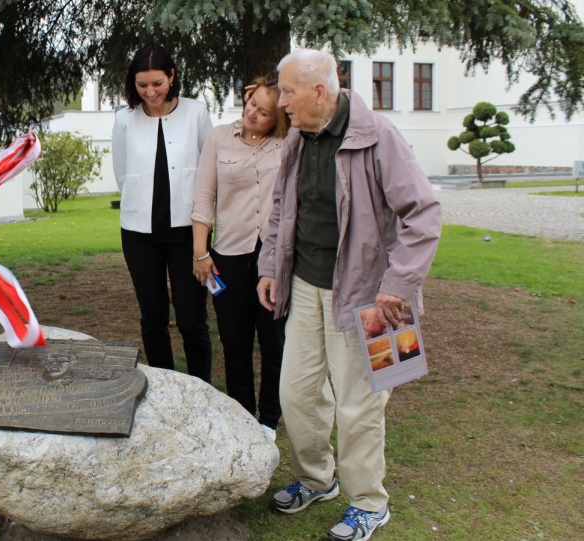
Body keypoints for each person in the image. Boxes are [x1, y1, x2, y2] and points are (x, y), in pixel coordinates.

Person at [256, 49, 441, 541]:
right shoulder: (298, 136)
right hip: (304, 287)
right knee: (294, 393)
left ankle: (368, 503)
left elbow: (423, 215)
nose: (282, 102)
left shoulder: (379, 137)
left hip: (366, 296)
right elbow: (280, 209)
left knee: (359, 405)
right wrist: (270, 267)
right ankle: (318, 479)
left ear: (321, 90)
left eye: (289, 92)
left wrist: (396, 287)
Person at [190, 77, 290, 441]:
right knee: (234, 342)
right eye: (252, 104)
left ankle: (270, 419)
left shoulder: (288, 142)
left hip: (273, 257)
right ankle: (242, 414)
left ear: (277, 119)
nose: (253, 113)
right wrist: (201, 252)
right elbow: (203, 197)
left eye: (264, 113)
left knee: (273, 340)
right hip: (227, 255)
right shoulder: (218, 138)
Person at [111, 43, 214, 382]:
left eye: (157, 83)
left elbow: (209, 172)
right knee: (152, 318)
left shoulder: (196, 113)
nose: (150, 92)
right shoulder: (124, 118)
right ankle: (164, 386)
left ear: (172, 76)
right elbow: (122, 173)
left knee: (190, 318)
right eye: (142, 85)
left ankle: (201, 388)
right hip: (140, 234)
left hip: (188, 233)